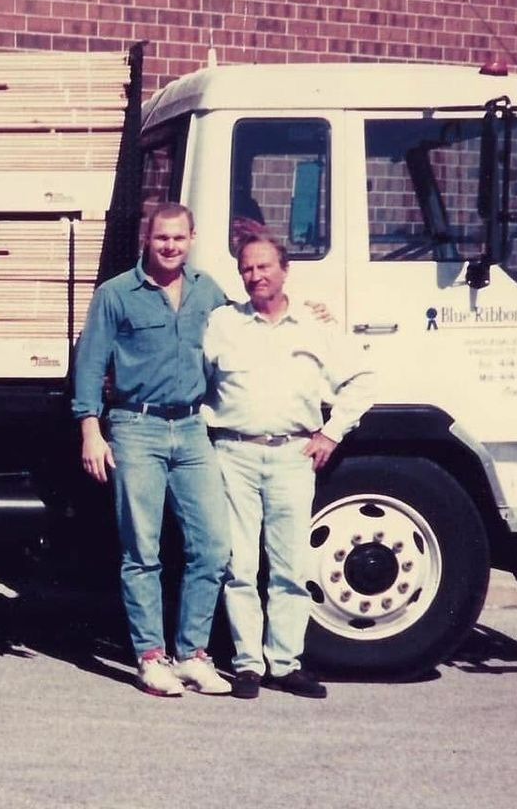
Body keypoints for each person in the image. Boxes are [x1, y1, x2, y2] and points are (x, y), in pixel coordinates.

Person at [203, 236, 375, 699]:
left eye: (264, 267)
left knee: (289, 566)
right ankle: (246, 665)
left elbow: (361, 379)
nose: (255, 276)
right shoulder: (222, 324)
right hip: (233, 454)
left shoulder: (315, 327)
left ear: (285, 269)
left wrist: (331, 432)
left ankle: (285, 662)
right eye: (246, 269)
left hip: (292, 456)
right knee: (238, 564)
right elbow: (195, 380)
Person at [73, 202, 234, 697]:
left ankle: (193, 655)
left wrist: (312, 309)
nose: (170, 246)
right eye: (162, 238)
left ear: (192, 238)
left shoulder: (209, 292)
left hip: (190, 431)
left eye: (179, 238)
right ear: (148, 238)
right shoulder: (117, 294)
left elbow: (247, 333)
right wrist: (90, 431)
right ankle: (150, 657)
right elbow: (90, 360)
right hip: (135, 427)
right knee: (141, 551)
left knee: (213, 547)